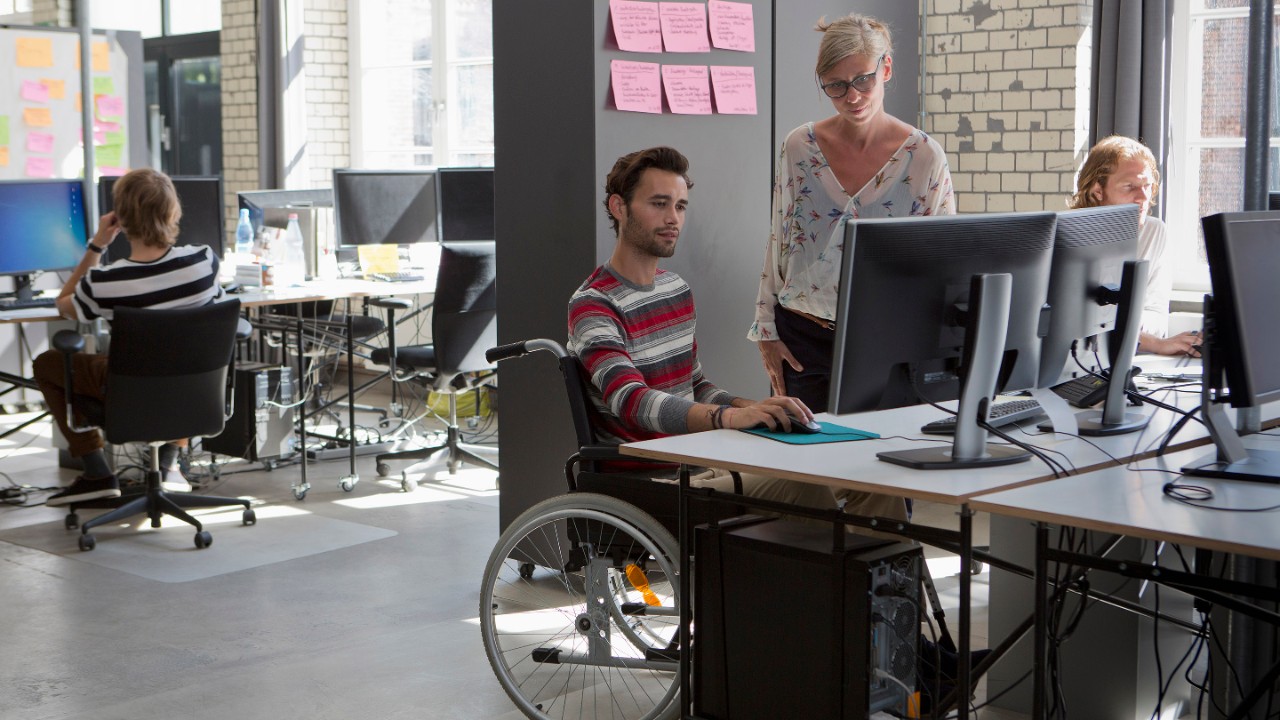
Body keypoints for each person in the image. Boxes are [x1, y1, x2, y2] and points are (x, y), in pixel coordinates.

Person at [568, 146, 906, 522]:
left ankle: (880, 563)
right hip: (652, 483)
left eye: (680, 206)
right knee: (803, 488)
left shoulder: (675, 290)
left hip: (702, 465)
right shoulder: (593, 304)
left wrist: (754, 409)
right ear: (619, 207)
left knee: (871, 479)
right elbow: (631, 401)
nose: (673, 218)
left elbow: (696, 387)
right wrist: (727, 418)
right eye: (659, 204)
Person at [747, 13, 955, 412]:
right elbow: (779, 241)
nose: (852, 97)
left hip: (888, 339)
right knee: (806, 448)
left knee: (882, 448)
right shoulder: (799, 147)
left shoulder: (924, 157)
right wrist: (766, 329)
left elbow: (941, 265)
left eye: (863, 80)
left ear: (886, 68)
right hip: (802, 336)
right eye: (836, 85)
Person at [33, 168, 226, 506]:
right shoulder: (204, 261)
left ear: (120, 219)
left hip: (129, 394)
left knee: (49, 363)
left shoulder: (104, 282)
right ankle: (169, 465)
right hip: (195, 395)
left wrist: (97, 244)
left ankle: (97, 473)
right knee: (179, 356)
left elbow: (63, 304)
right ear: (173, 212)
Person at [1070, 135, 1200, 357]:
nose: (1143, 197)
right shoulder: (1070, 237)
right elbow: (1074, 325)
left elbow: (1156, 314)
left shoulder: (1154, 232)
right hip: (1079, 361)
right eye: (1129, 186)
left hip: (1125, 358)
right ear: (1098, 191)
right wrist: (1153, 343)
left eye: (1147, 186)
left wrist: (1133, 333)